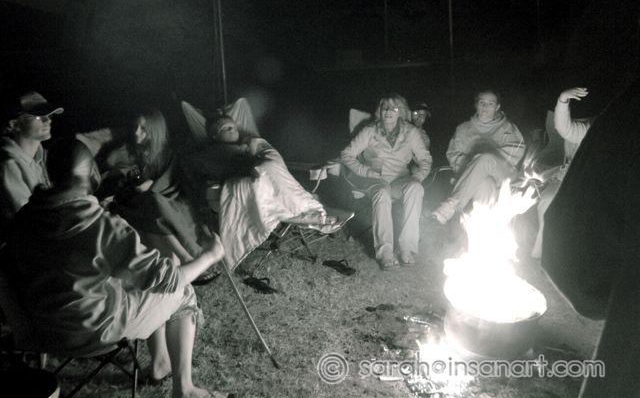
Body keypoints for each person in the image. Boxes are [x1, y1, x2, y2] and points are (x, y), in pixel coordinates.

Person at [7, 138, 228, 398]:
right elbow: (167, 280)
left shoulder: (25, 219)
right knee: (183, 293)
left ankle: (160, 363)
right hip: (92, 332)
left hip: (43, 330)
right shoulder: (101, 226)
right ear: (92, 174)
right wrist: (210, 256)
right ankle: (185, 389)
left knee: (134, 282)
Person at [542, 78, 640, 398]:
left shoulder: (620, 126)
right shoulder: (599, 127)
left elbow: (579, 279)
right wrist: (563, 101)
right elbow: (566, 129)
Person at [183, 109, 344, 270]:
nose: (234, 130)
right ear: (215, 136)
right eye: (227, 128)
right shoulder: (212, 152)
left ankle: (311, 211)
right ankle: (313, 214)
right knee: (266, 171)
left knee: (271, 166)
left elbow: (270, 156)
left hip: (269, 181)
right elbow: (206, 167)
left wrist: (253, 145)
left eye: (234, 127)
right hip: (246, 183)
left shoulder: (249, 144)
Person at [100, 109, 215, 283]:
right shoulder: (123, 152)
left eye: (143, 129)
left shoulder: (166, 153)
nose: (136, 132)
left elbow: (172, 181)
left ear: (155, 131)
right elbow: (113, 176)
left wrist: (152, 185)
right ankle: (194, 256)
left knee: (156, 203)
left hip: (160, 199)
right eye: (135, 126)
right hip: (131, 203)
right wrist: (126, 183)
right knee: (153, 201)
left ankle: (188, 258)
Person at [340, 93, 432, 270]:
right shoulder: (369, 131)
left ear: (401, 112)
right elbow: (346, 155)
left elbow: (425, 159)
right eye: (385, 107)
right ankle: (385, 253)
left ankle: (407, 248)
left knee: (415, 188)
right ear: (379, 111)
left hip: (399, 179)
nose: (389, 111)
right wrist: (365, 171)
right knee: (382, 192)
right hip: (374, 179)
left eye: (394, 108)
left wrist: (418, 177)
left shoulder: (411, 132)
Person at [432, 90, 525, 224]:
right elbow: (453, 154)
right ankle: (483, 230)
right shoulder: (463, 129)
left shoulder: (507, 128)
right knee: (484, 184)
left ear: (497, 107)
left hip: (503, 174)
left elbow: (516, 151)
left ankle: (451, 205)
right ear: (476, 105)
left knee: (485, 159)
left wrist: (482, 158)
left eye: (490, 104)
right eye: (482, 103)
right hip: (475, 177)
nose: (485, 107)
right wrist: (474, 166)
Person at [531, 87, 591, 258]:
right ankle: (542, 252)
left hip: (602, 184)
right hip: (571, 178)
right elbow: (565, 129)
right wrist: (563, 99)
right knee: (547, 201)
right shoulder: (588, 128)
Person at [0, 91, 62, 230]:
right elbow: (28, 220)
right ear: (14, 124)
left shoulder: (41, 157)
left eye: (49, 115)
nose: (48, 120)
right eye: (39, 116)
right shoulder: (8, 165)